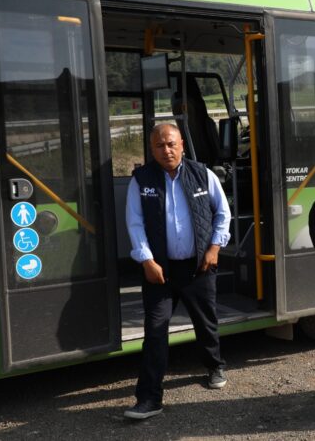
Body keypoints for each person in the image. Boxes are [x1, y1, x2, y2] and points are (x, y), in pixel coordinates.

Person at [124, 123, 232, 420]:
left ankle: (214, 365)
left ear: (182, 144)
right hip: (160, 271)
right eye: (159, 145)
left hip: (199, 267)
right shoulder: (141, 180)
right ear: (152, 149)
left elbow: (223, 213)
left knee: (206, 322)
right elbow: (135, 223)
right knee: (155, 332)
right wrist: (146, 260)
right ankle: (149, 399)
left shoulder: (203, 174)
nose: (166, 150)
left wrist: (215, 247)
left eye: (171, 144)